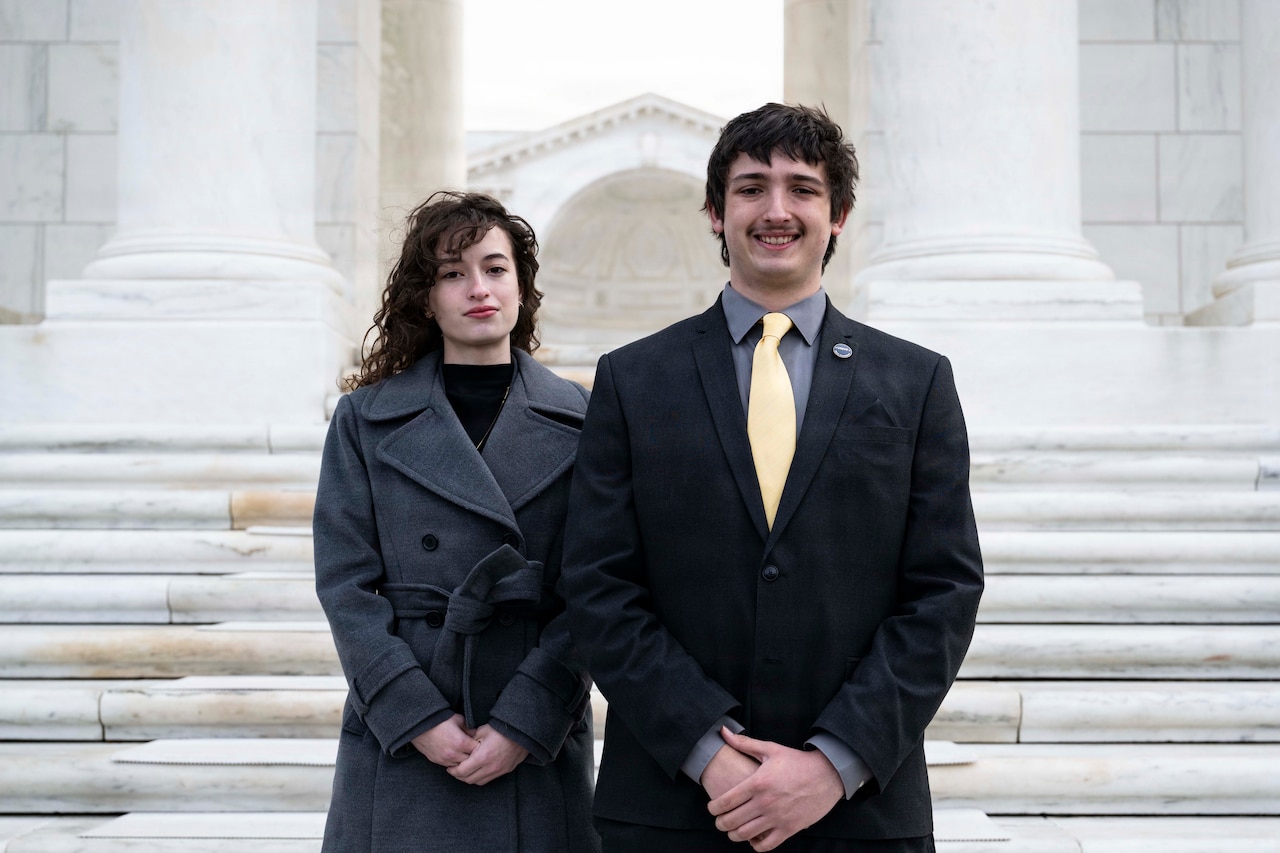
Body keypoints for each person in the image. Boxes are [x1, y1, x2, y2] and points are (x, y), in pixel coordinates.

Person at [561, 103, 984, 852]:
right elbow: (598, 586)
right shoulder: (631, 380)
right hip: (671, 809)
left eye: (803, 188)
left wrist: (833, 762)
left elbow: (943, 592)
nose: (777, 209)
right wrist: (707, 751)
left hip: (861, 815)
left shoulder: (917, 382)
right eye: (752, 187)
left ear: (840, 214)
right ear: (716, 213)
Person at [314, 191, 598, 852]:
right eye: (452, 273)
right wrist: (417, 716)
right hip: (405, 729)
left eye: (495, 269)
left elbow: (597, 589)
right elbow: (346, 587)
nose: (478, 288)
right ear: (426, 295)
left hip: (533, 729)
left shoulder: (584, 420)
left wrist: (525, 721)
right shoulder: (364, 420)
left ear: (522, 287)